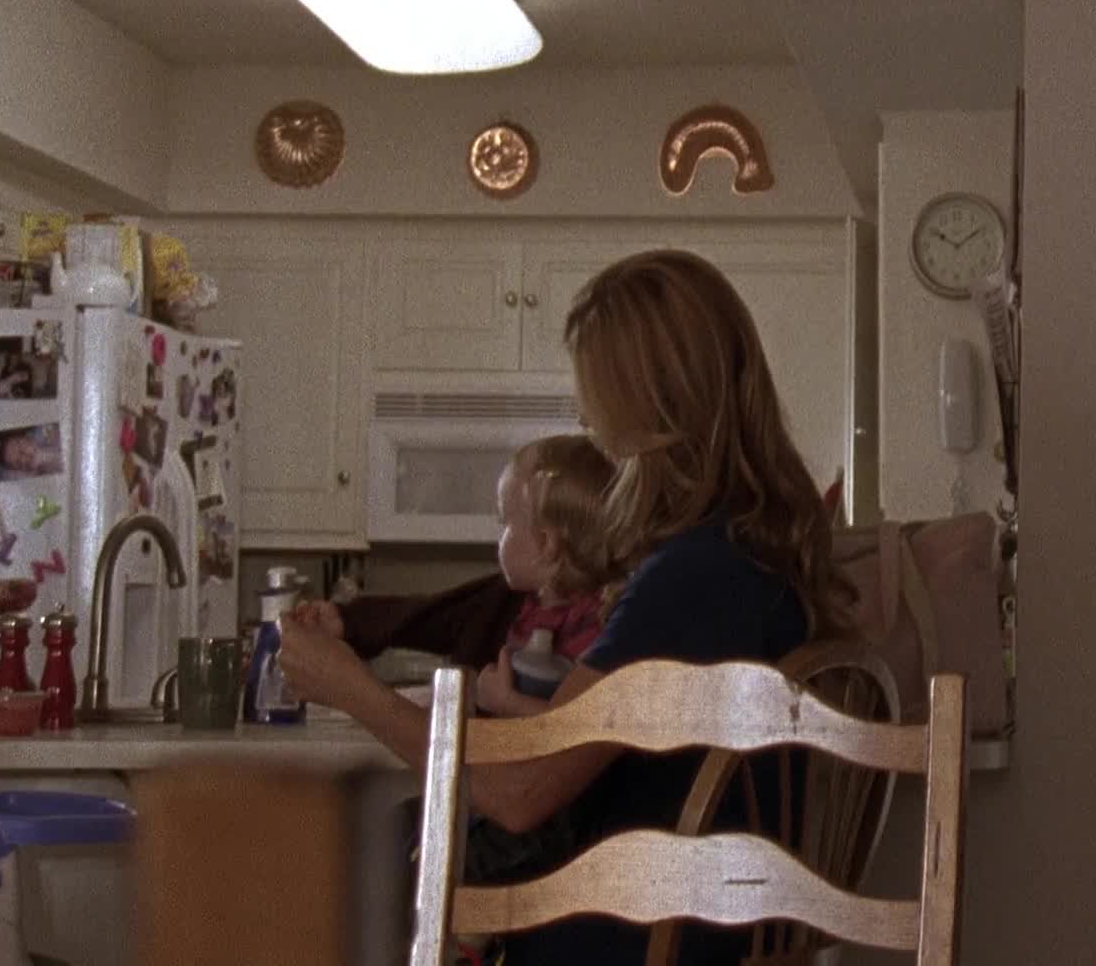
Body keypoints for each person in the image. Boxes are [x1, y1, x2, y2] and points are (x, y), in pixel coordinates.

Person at [278, 248, 851, 965]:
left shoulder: (692, 578)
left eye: (597, 398)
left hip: (629, 944)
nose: (587, 420)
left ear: (646, 403)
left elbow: (520, 794)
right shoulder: (754, 555)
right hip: (707, 932)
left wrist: (349, 688)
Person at [290, 434, 614, 718]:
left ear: (546, 543)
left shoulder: (604, 624)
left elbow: (587, 728)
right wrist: (346, 620)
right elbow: (429, 615)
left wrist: (508, 703)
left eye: (505, 523)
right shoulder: (504, 601)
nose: (499, 536)